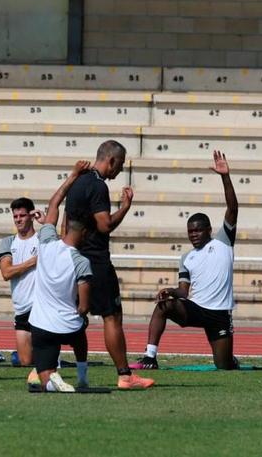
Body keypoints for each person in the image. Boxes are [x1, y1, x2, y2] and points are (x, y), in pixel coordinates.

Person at [134, 150, 239, 370]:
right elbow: (184, 291)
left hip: (219, 313)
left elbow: (232, 208)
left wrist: (225, 177)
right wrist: (171, 291)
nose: (193, 235)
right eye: (190, 231)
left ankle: (230, 359)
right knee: (163, 305)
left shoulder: (223, 242)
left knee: (224, 366)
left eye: (198, 231)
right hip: (196, 308)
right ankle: (150, 357)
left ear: (209, 230)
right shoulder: (187, 257)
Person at [64, 140, 154, 389]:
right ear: (111, 160)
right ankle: (125, 376)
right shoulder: (96, 185)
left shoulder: (77, 182)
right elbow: (104, 225)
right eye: (121, 164)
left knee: (71, 316)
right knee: (111, 316)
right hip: (96, 260)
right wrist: (125, 208)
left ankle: (43, 367)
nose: (119, 169)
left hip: (72, 257)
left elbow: (65, 223)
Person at [29, 161, 93, 392]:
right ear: (84, 232)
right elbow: (84, 306)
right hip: (67, 324)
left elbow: (54, 202)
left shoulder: (46, 241)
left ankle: (51, 379)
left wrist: (73, 175)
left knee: (45, 381)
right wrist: (80, 314)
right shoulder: (81, 262)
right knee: (80, 330)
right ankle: (82, 374)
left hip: (40, 324)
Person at [0, 197, 41, 383]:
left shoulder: (42, 239)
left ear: (31, 216)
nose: (18, 219)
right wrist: (32, 262)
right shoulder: (8, 242)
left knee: (44, 354)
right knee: (25, 361)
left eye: (22, 215)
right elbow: (6, 272)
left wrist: (46, 222)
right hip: (21, 307)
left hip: (40, 305)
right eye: (15, 216)